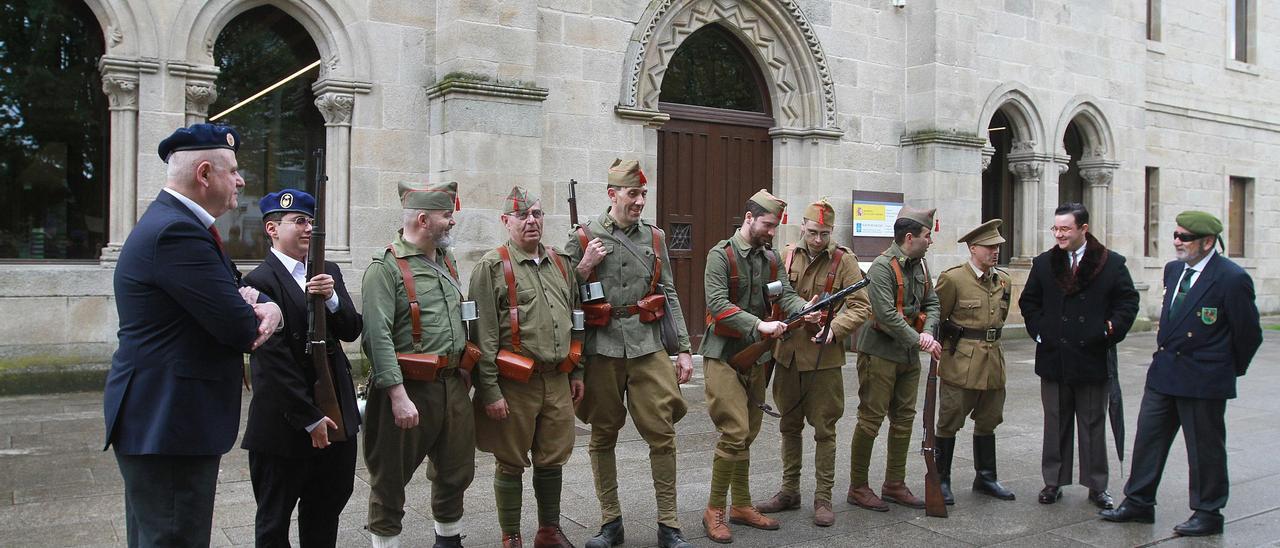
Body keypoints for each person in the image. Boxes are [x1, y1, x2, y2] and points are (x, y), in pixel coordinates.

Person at [103, 123, 283, 546]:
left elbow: (238, 292)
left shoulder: (181, 224)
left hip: (164, 419)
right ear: (205, 174)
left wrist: (258, 303)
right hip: (169, 423)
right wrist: (264, 310)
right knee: (174, 537)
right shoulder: (177, 232)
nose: (241, 180)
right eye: (234, 171)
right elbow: (241, 326)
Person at [1100, 210, 1262, 536]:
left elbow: (1249, 334)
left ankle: (1208, 511)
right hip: (1165, 373)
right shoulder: (1174, 270)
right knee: (1148, 439)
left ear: (1207, 242)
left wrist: (1225, 369)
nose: (1177, 242)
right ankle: (1139, 501)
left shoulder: (1231, 278)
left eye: (1184, 237)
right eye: (1175, 235)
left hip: (1204, 379)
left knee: (1204, 449)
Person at [564, 159, 696, 548]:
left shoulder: (654, 239)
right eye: (632, 194)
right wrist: (583, 267)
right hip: (601, 348)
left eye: (643, 194)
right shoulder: (584, 236)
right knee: (602, 435)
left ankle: (669, 525)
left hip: (647, 344)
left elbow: (669, 292)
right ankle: (610, 524)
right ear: (612, 194)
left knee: (662, 432)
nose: (640, 201)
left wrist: (684, 350)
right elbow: (560, 293)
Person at [241, 189, 363, 546]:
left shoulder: (329, 271)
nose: (308, 228)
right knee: (274, 521)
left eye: (311, 221)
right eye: (298, 221)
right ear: (272, 229)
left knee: (326, 512)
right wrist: (309, 417)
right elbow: (272, 363)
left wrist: (334, 298)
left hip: (336, 417)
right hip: (284, 424)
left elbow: (352, 330)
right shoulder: (258, 282)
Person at [468, 188, 583, 548]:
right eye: (522, 215)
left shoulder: (562, 263)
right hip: (514, 383)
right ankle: (511, 536)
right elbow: (481, 334)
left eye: (536, 213)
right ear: (506, 222)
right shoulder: (491, 267)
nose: (531, 220)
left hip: (558, 378)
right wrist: (489, 390)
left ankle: (548, 530)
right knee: (511, 460)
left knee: (553, 457)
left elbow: (577, 322)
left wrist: (578, 371)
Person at [361, 182, 473, 548]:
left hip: (452, 385)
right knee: (390, 479)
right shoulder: (385, 268)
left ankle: (448, 541)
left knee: (456, 472)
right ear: (424, 219)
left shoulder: (446, 261)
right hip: (407, 390)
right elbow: (376, 339)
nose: (452, 222)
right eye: (447, 215)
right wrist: (396, 395)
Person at [700, 189, 810, 543]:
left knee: (747, 434)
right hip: (723, 354)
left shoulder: (771, 258)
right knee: (734, 430)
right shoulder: (721, 255)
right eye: (766, 225)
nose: (771, 232)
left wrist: (805, 309)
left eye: (775, 227)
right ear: (748, 218)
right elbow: (717, 304)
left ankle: (742, 505)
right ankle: (714, 510)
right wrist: (758, 325)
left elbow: (784, 294)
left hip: (756, 357)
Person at [753, 199, 871, 527]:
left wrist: (834, 328)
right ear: (802, 226)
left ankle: (823, 497)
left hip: (823, 360)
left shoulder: (844, 261)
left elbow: (861, 307)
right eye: (813, 231)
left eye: (825, 233)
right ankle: (789, 491)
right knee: (788, 426)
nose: (818, 239)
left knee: (825, 430)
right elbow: (772, 294)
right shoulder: (786, 254)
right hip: (788, 355)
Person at [1019, 203, 1138, 509]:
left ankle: (1097, 486)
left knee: (1092, 423)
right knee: (1055, 421)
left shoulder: (1111, 264)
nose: (1059, 234)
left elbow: (1127, 301)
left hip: (1091, 354)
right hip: (1054, 355)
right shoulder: (1045, 263)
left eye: (1065, 229)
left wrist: (1109, 329)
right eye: (1055, 228)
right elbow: (1029, 301)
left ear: (1083, 229)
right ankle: (1053, 481)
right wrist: (1041, 330)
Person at [847, 207, 942, 512]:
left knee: (904, 420)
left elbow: (933, 302)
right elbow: (886, 316)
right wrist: (920, 340)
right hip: (880, 354)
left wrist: (925, 333)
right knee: (871, 420)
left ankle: (894, 484)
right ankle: (858, 487)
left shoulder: (921, 265)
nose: (931, 241)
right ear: (911, 237)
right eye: (928, 235)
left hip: (908, 354)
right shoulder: (882, 268)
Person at [933, 219, 1016, 505]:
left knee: (989, 420)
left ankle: (986, 477)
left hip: (993, 359)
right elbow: (937, 318)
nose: (995, 252)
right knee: (949, 421)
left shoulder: (1002, 280)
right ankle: (941, 479)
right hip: (961, 361)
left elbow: (1000, 318)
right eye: (989, 247)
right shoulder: (953, 279)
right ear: (973, 248)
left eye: (998, 247)